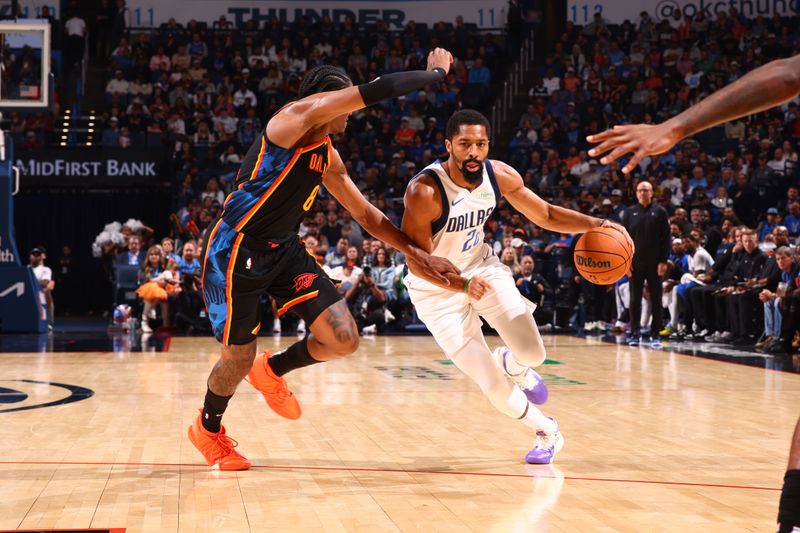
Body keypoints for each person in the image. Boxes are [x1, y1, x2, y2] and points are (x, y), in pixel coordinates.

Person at [190, 50, 461, 471]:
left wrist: (417, 253)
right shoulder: (294, 119)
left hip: (284, 249)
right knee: (237, 357)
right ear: (329, 100)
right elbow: (377, 90)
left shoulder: (327, 155)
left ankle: (273, 370)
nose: (351, 115)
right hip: (235, 250)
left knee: (343, 339)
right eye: (346, 105)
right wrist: (436, 73)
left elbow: (368, 216)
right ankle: (207, 430)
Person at [586, 51, 800, 533]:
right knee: (641, 297)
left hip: (653, 262)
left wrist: (678, 125)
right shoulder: (631, 215)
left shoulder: (658, 216)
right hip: (635, 264)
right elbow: (789, 73)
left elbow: (789, 73)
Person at [401, 110, 633, 464]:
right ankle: (548, 432)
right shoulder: (425, 191)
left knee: (534, 354)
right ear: (449, 146)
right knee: (490, 384)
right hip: (437, 292)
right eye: (465, 144)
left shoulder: (500, 175)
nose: (474, 152)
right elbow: (416, 261)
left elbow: (547, 215)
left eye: (480, 144)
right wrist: (461, 285)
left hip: (483, 269)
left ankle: (515, 364)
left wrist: (599, 224)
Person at [619, 181, 670, 347]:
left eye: (646, 190)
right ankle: (635, 332)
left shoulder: (660, 212)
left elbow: (666, 238)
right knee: (634, 299)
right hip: (635, 264)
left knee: (656, 299)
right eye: (640, 190)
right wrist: (625, 263)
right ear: (636, 193)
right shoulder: (628, 212)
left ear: (652, 192)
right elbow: (623, 240)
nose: (643, 193)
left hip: (655, 263)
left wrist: (663, 260)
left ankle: (655, 334)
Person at [29, 246, 55, 331]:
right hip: (28, 292)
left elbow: (45, 283)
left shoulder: (46, 269)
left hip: (40, 293)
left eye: (38, 254)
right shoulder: (26, 269)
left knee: (47, 291)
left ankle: (49, 322)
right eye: (34, 254)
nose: (36, 256)